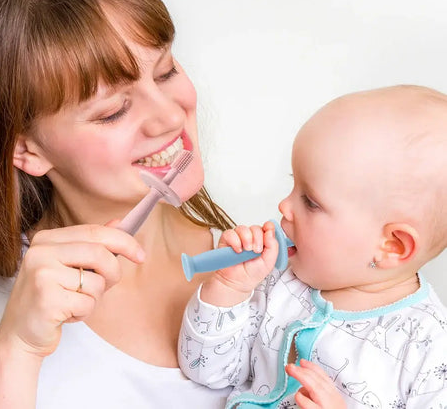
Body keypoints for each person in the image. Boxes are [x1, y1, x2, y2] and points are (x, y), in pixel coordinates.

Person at [0, 0, 236, 407]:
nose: (166, 117)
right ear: (27, 150)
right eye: (112, 111)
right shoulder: (1, 312)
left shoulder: (274, 267)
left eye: (165, 72)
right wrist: (15, 350)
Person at [178, 85, 447, 408]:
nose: (284, 207)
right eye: (294, 184)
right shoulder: (278, 284)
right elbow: (205, 371)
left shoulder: (428, 350)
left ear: (391, 245)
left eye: (311, 202)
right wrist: (229, 289)